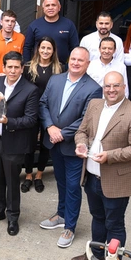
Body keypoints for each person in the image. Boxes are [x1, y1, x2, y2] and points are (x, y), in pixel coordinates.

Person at [71, 71, 131, 260]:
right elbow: (82, 131)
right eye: (107, 86)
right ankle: (96, 255)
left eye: (116, 86)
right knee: (97, 217)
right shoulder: (94, 105)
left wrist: (109, 156)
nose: (111, 90)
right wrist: (81, 144)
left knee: (114, 223)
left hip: (116, 179)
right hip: (91, 176)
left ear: (124, 87)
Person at [38, 47, 102, 248]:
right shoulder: (55, 80)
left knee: (73, 187)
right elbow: (43, 104)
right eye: (73, 58)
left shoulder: (93, 88)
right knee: (61, 181)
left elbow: (86, 119)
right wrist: (49, 127)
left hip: (73, 145)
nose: (75, 63)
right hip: (53, 140)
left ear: (87, 64)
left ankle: (70, 227)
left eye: (80, 60)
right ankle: (61, 214)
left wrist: (62, 133)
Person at [0, 52, 40, 236]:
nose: (12, 70)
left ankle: (12, 217)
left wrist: (8, 122)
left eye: (16, 67)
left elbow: (30, 120)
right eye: (9, 67)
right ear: (3, 67)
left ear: (22, 68)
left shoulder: (30, 89)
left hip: (14, 141)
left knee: (12, 181)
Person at [22, 36, 60, 193]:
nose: (45, 51)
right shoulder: (28, 67)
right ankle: (28, 175)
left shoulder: (59, 69)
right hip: (31, 112)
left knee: (46, 145)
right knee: (29, 145)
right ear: (38, 49)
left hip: (50, 113)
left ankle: (39, 175)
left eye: (49, 48)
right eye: (42, 47)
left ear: (53, 51)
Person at [22, 0, 79, 69]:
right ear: (43, 8)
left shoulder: (69, 25)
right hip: (38, 68)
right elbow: (27, 47)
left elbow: (75, 48)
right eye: (47, 5)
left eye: (53, 5)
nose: (50, 8)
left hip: (62, 68)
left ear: (59, 7)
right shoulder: (34, 25)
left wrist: (69, 67)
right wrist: (27, 66)